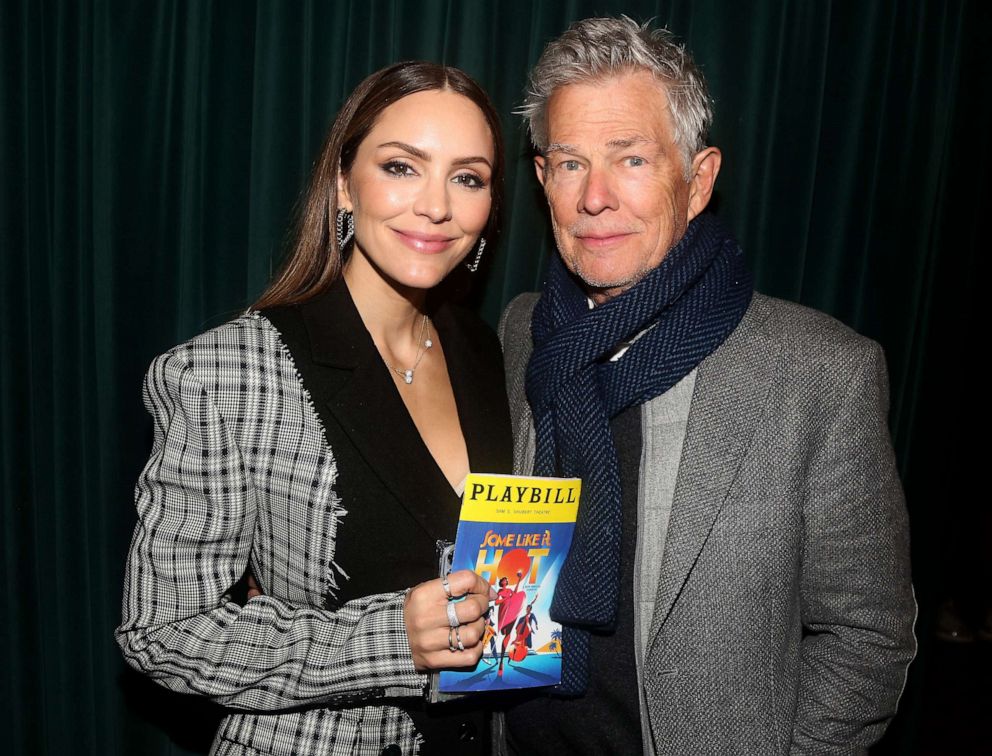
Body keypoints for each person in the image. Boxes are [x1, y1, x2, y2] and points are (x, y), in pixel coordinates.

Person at [497, 17, 916, 755]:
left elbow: (869, 637)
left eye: (630, 159)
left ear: (698, 179)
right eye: (569, 163)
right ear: (542, 179)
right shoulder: (522, 333)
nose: (594, 197)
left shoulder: (819, 371)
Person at [116, 61, 513, 756]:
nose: (436, 206)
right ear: (342, 184)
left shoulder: (490, 351)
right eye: (401, 167)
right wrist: (390, 641)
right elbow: (162, 631)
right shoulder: (228, 371)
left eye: (467, 177)